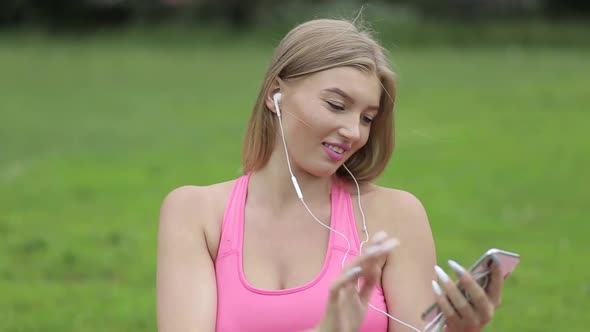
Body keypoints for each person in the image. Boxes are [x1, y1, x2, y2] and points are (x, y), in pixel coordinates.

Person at [156, 17, 505, 332]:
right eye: (336, 105)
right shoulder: (195, 214)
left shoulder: (396, 217)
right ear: (274, 94)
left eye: (367, 118)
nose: (354, 131)